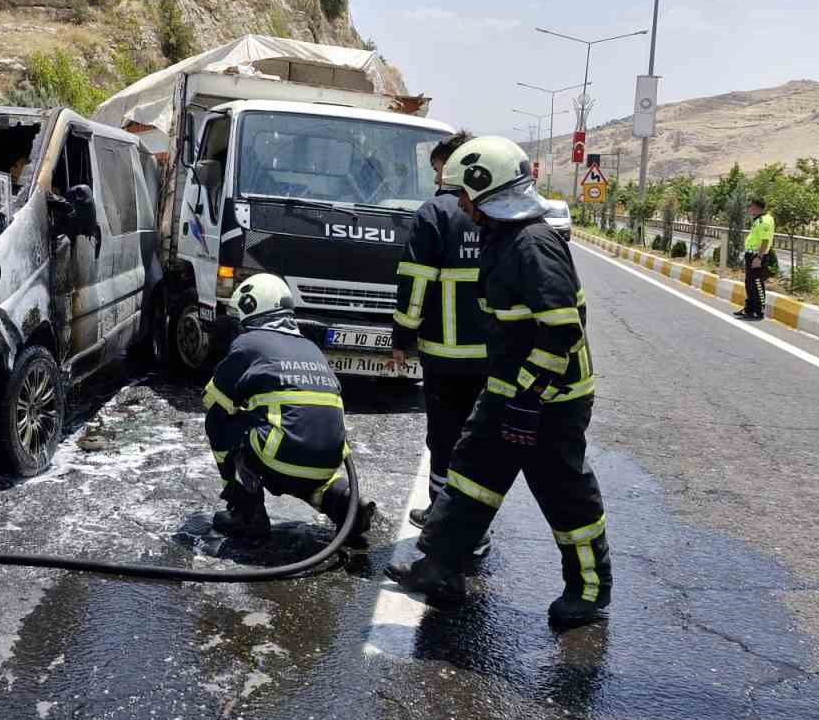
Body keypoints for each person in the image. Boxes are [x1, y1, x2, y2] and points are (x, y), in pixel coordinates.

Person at [387, 137, 610, 629]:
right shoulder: (502, 237)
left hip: (550, 399)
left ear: (488, 190)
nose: (462, 204)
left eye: (465, 193)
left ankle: (589, 590)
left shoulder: (532, 244)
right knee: (470, 476)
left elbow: (562, 329)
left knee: (563, 491)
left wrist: (528, 399)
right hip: (509, 389)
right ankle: (440, 568)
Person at [203, 273, 376, 543]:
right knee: (304, 468)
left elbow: (213, 399)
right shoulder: (310, 347)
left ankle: (246, 513)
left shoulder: (248, 344)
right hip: (331, 456)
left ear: (253, 307)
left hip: (282, 455)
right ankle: (343, 502)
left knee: (220, 422)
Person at [390, 132, 492, 538]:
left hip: (445, 356)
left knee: (444, 437)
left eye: (438, 170)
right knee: (479, 439)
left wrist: (402, 337)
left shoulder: (434, 213)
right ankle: (472, 522)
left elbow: (414, 285)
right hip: (491, 354)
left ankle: (441, 518)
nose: (436, 180)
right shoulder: (496, 213)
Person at [738, 197, 775, 321]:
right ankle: (749, 309)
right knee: (749, 283)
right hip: (752, 255)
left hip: (757, 256)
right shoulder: (760, 219)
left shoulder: (763, 221)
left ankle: (758, 311)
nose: (749, 208)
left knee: (757, 283)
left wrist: (759, 257)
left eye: (750, 206)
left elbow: (765, 241)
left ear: (756, 207)